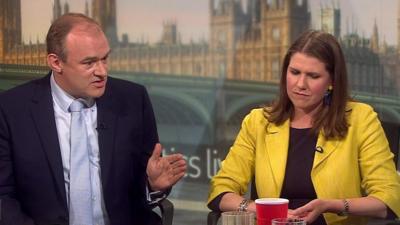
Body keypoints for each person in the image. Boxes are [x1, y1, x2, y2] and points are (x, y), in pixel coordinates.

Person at [0, 13, 186, 225]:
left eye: (105, 58)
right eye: (89, 63)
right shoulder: (11, 110)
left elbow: (143, 188)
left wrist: (153, 185)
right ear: (56, 62)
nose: (102, 71)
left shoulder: (133, 99)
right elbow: (3, 197)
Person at [207, 30, 400, 225]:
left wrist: (332, 205)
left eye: (313, 76)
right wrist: (260, 209)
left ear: (332, 81)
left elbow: (389, 198)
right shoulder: (258, 122)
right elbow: (220, 190)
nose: (300, 84)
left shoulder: (360, 119)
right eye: (295, 72)